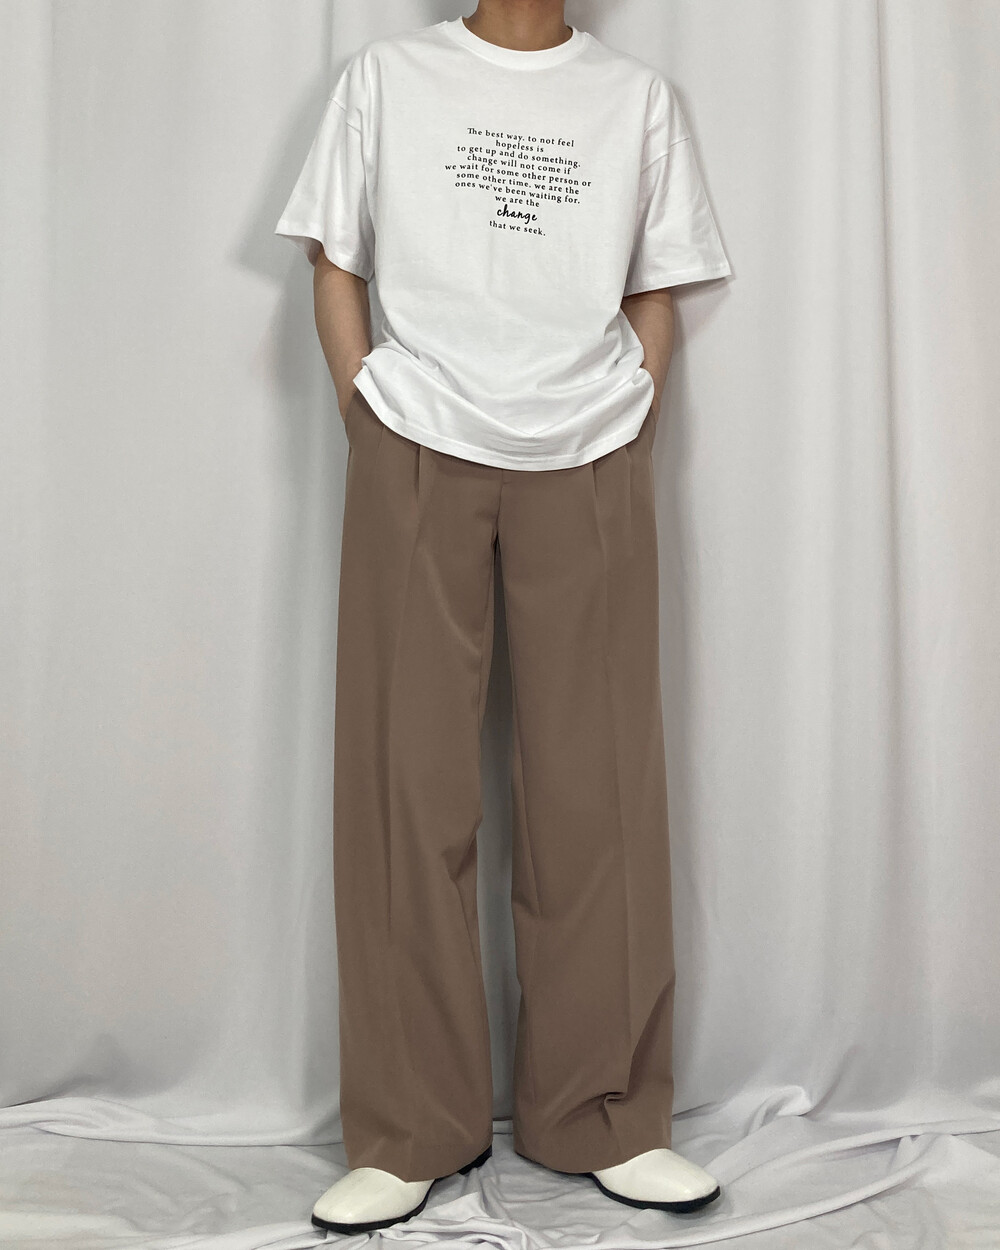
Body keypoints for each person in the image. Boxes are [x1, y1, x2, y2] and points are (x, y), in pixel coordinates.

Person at [274, 0, 732, 1235]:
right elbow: (333, 257)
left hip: (589, 447)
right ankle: (408, 1125)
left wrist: (633, 404)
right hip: (417, 438)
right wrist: (367, 407)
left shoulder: (634, 98)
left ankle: (605, 1112)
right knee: (406, 787)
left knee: (598, 790)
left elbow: (656, 285)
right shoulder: (387, 77)